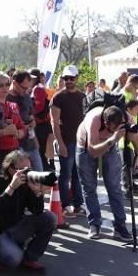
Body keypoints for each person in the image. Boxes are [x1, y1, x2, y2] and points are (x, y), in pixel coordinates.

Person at [0, 150, 56, 270]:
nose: (28, 173)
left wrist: (36, 192)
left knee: (49, 218)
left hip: (16, 229)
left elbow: (37, 211)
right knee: (14, 260)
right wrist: (11, 187)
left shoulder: (26, 183)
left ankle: (29, 259)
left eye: (29, 169)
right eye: (24, 169)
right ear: (11, 169)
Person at [76, 105, 137, 241]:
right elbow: (93, 151)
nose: (116, 129)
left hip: (109, 147)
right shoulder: (94, 120)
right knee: (89, 188)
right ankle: (94, 224)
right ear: (106, 123)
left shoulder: (125, 117)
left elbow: (137, 138)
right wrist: (114, 138)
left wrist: (133, 137)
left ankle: (120, 226)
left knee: (114, 188)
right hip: (86, 148)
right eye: (113, 127)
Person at [50, 64, 86, 218]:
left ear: (77, 78)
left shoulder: (83, 97)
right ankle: (65, 205)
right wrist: (61, 143)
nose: (69, 81)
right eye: (66, 78)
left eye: (71, 78)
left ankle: (78, 204)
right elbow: (54, 122)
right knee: (65, 175)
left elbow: (87, 120)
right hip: (66, 142)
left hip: (81, 142)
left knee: (78, 175)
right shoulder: (58, 97)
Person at [8, 70, 42, 170]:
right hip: (16, 147)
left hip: (31, 143)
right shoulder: (6, 99)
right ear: (14, 83)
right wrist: (22, 126)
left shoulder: (26, 97)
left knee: (39, 174)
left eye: (28, 88)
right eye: (24, 88)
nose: (26, 90)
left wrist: (33, 124)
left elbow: (31, 116)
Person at [0, 71, 26, 163]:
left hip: (14, 150)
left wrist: (19, 133)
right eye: (1, 85)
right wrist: (4, 132)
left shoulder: (13, 105)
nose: (5, 88)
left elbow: (22, 127)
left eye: (7, 84)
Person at [30, 68, 53, 170]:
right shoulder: (37, 88)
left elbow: (39, 106)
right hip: (41, 123)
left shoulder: (37, 88)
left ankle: (44, 169)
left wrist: (29, 113)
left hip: (40, 124)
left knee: (39, 149)